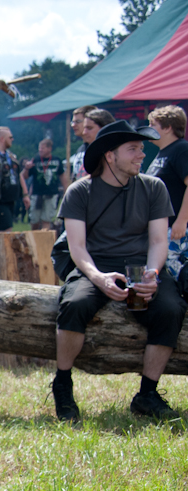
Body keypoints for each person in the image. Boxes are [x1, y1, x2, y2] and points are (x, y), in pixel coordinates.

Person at [52, 120, 187, 421]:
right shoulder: (79, 191)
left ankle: (147, 394)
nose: (142, 155)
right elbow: (77, 248)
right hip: (94, 265)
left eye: (142, 148)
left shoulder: (154, 187)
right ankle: (62, 383)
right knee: (74, 304)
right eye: (134, 149)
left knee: (170, 308)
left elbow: (157, 240)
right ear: (110, 156)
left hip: (141, 266)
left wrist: (152, 273)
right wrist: (98, 278)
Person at [146, 105, 188, 239]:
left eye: (153, 125)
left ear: (168, 127)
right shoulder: (162, 152)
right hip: (161, 229)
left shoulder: (182, 149)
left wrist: (182, 221)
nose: (148, 128)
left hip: (177, 231)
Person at [25, 138, 65, 232]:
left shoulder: (57, 160)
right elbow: (25, 176)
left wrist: (66, 190)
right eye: (39, 148)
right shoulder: (36, 160)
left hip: (51, 194)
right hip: (37, 194)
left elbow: (62, 176)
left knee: (46, 219)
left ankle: (45, 241)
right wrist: (27, 168)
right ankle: (34, 238)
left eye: (42, 148)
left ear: (49, 148)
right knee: (34, 219)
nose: (40, 150)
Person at [65, 105, 98, 187]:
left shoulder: (101, 149)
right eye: (72, 122)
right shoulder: (80, 149)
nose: (73, 125)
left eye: (78, 121)